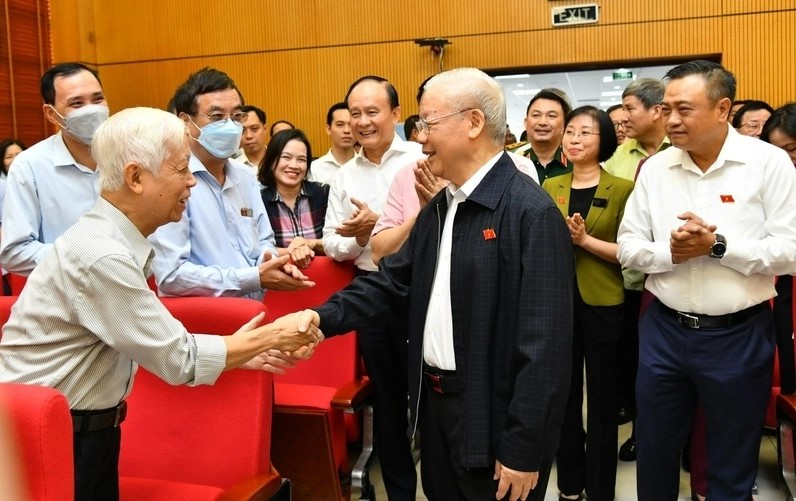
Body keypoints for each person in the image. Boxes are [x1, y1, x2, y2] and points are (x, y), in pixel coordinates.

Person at [0, 107, 321, 500]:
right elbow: (179, 359)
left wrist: (244, 354)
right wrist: (272, 335)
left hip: (81, 431)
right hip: (52, 439)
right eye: (182, 168)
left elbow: (142, 341)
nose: (191, 182)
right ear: (136, 177)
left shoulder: (113, 241)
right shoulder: (103, 256)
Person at [303, 67, 573, 501]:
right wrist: (316, 317)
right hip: (435, 409)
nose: (420, 137)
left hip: (493, 416)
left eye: (428, 123)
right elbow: (389, 284)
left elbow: (546, 350)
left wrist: (525, 450)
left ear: (473, 123)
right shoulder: (442, 205)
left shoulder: (530, 213)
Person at [617, 60, 796, 501]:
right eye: (666, 108)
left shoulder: (768, 164)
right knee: (655, 452)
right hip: (663, 331)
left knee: (731, 460)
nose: (671, 119)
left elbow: (790, 250)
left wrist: (718, 246)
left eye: (684, 108)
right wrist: (671, 252)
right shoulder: (657, 169)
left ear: (722, 108)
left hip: (739, 334)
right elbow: (629, 246)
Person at [322, 74, 424, 500]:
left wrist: (380, 220)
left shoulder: (421, 158)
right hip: (374, 288)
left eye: (373, 111)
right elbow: (331, 242)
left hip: (425, 286)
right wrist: (363, 236)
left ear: (395, 114)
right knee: (385, 396)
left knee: (431, 393)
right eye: (355, 114)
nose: (363, 122)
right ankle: (400, 490)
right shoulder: (345, 175)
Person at [149, 67, 313, 300]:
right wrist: (252, 277)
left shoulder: (245, 176)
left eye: (236, 116)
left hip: (254, 314)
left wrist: (270, 261)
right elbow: (172, 276)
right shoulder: (169, 181)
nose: (229, 125)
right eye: (216, 117)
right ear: (186, 121)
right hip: (202, 325)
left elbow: (264, 240)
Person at [543, 106, 629, 501]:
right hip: (559, 302)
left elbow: (629, 253)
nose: (575, 139)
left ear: (605, 141)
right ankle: (570, 485)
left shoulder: (622, 190)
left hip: (604, 301)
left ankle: (600, 490)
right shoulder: (550, 187)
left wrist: (583, 241)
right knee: (563, 396)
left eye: (586, 133)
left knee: (603, 401)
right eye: (571, 131)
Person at [603, 77, 671, 462]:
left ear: (655, 109)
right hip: (627, 279)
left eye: (629, 108)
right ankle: (641, 432)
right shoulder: (618, 155)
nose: (623, 117)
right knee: (634, 363)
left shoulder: (679, 149)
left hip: (670, 278)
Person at [0, 62, 108, 276]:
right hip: (64, 298)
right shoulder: (30, 166)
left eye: (98, 99)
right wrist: (85, 256)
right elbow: (14, 251)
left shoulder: (129, 155)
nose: (91, 109)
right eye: (77, 104)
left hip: (129, 293)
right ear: (51, 114)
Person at [259, 129, 328, 263]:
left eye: (301, 159)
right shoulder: (258, 200)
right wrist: (298, 250)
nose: (294, 165)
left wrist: (310, 243)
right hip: (278, 277)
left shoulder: (323, 194)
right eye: (286, 157)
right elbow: (257, 248)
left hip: (326, 275)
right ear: (271, 160)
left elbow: (338, 242)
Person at [510, 88, 573, 183]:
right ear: (526, 123)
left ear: (565, 124)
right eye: (536, 115)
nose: (542, 122)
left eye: (551, 116)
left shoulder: (577, 163)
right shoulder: (512, 160)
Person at [309, 102, 355, 185]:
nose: (347, 130)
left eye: (351, 125)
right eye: (340, 125)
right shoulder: (314, 169)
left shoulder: (367, 166)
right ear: (328, 129)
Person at [234, 104, 268, 175]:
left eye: (254, 129)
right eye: (242, 130)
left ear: (265, 129)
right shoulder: (232, 166)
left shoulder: (279, 161)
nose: (248, 136)